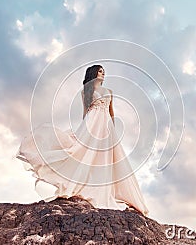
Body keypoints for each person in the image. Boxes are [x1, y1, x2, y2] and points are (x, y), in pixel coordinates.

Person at [16, 65, 149, 216]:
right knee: (83, 152)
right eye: (100, 71)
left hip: (105, 125)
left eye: (104, 72)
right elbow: (86, 112)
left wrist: (112, 130)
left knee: (104, 156)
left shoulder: (109, 92)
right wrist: (83, 130)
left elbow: (112, 113)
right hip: (91, 123)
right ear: (93, 73)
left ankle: (103, 186)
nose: (103, 74)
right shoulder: (86, 91)